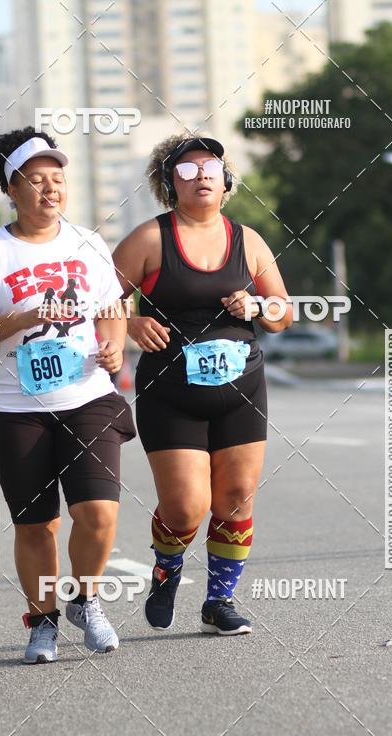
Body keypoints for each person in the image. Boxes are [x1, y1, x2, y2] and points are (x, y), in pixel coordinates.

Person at [0, 127, 135, 664]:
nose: (50, 189)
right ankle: (44, 621)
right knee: (38, 526)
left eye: (58, 179)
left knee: (98, 514)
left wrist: (115, 349)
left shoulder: (88, 242)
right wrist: (26, 316)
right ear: (12, 189)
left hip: (88, 396)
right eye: (37, 180)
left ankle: (86, 600)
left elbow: (111, 310)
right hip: (16, 406)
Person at [113, 133, 292, 636]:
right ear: (170, 184)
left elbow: (283, 312)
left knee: (236, 495)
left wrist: (257, 306)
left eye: (209, 167)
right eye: (187, 171)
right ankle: (167, 569)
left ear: (226, 178)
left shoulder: (248, 241)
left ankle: (219, 601)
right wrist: (129, 324)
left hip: (242, 390)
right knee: (186, 506)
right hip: (171, 396)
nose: (201, 177)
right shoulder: (150, 239)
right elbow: (102, 300)